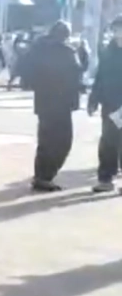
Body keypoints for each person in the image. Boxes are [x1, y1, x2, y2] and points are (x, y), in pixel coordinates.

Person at [27, 21, 83, 192]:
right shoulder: (66, 51)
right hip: (61, 103)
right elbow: (77, 73)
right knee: (62, 142)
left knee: (45, 141)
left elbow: (25, 72)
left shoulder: (37, 49)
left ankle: (41, 176)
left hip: (44, 102)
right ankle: (45, 176)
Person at [88, 16, 122, 192]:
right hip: (110, 104)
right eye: (116, 29)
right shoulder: (108, 51)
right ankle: (105, 179)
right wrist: (93, 99)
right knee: (108, 142)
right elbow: (100, 77)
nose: (118, 33)